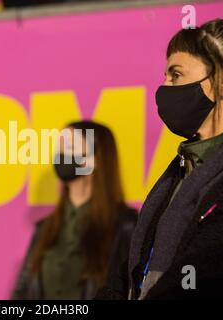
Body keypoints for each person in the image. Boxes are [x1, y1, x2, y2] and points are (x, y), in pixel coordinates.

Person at [125, 0, 223, 299]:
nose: (164, 86)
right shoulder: (180, 172)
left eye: (176, 75)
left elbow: (202, 280)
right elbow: (125, 279)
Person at [12, 120, 137, 299]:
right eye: (59, 148)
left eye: (70, 147)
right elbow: (21, 292)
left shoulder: (125, 226)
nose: (61, 155)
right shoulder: (45, 228)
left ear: (95, 159)